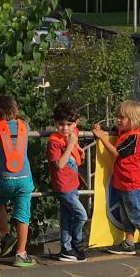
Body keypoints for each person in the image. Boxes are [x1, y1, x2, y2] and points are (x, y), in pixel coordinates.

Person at [93, 101, 140, 257]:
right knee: (126, 214)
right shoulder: (124, 133)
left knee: (136, 213)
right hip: (122, 182)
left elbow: (117, 153)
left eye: (122, 118)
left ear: (133, 120)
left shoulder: (134, 137)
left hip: (131, 183)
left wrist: (103, 138)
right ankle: (129, 242)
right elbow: (113, 131)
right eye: (117, 116)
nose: (117, 120)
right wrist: (101, 130)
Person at [0, 95, 36, 267]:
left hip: (4, 179)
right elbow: (25, 124)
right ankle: (21, 253)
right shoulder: (24, 126)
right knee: (24, 214)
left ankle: (5, 234)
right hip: (24, 179)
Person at [47, 101, 88, 262]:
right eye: (60, 124)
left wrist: (78, 149)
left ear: (75, 123)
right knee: (81, 216)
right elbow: (59, 164)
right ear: (55, 123)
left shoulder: (73, 132)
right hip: (63, 187)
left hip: (73, 184)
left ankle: (66, 248)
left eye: (68, 124)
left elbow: (74, 141)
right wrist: (72, 145)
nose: (65, 128)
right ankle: (77, 242)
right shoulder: (54, 142)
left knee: (67, 218)